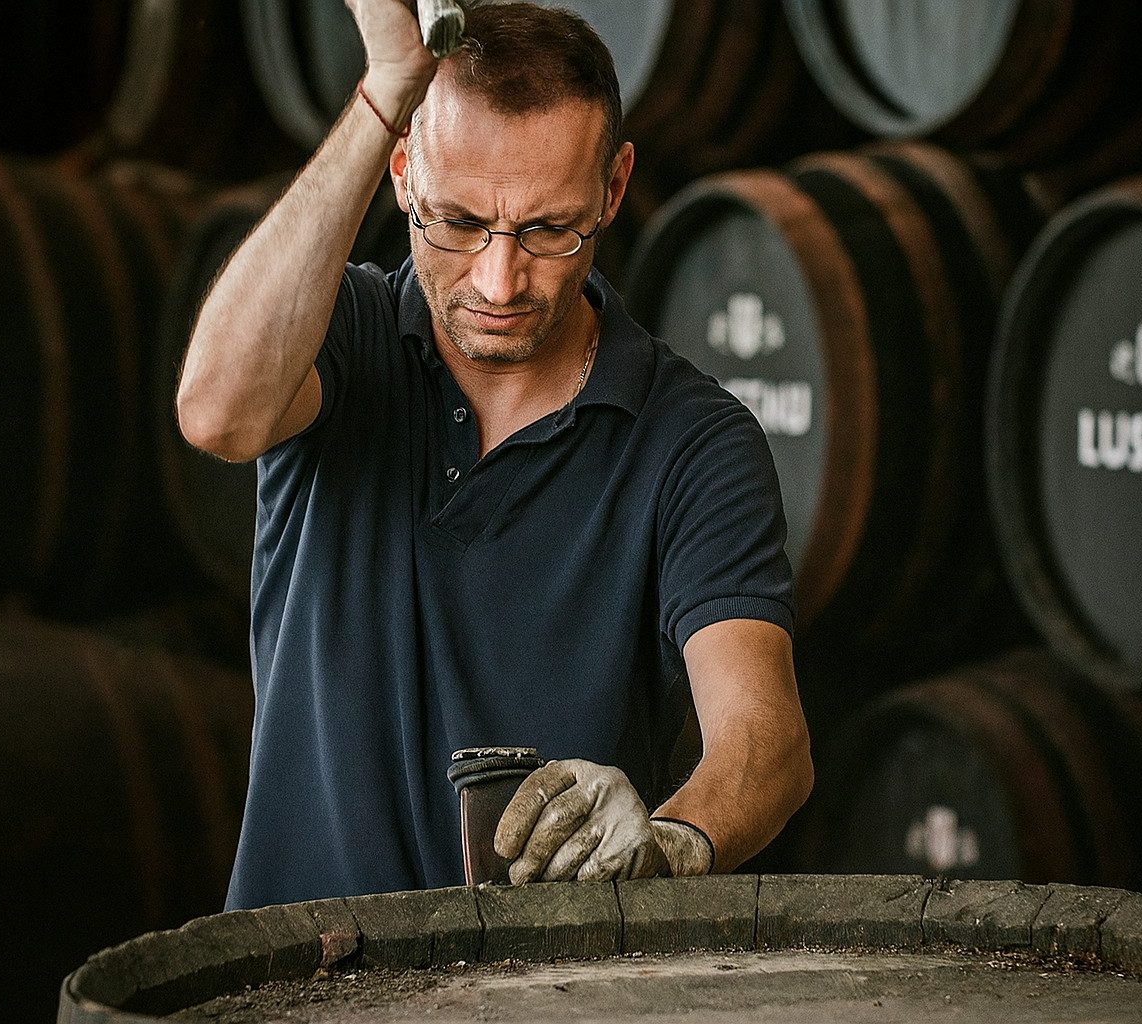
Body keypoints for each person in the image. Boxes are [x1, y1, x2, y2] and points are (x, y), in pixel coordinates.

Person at [176, 0, 812, 910]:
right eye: (460, 221)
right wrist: (387, 89)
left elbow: (766, 741)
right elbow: (217, 415)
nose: (499, 280)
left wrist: (672, 841)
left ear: (613, 189)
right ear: (402, 170)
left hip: (548, 995)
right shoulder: (342, 338)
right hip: (294, 980)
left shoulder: (693, 441)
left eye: (550, 229)